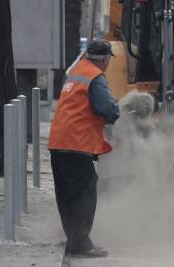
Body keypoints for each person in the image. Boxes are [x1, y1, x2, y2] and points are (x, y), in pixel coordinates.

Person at [48, 39, 120, 257]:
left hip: (58, 142)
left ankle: (74, 240)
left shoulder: (76, 71)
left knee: (67, 195)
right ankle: (81, 245)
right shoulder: (95, 77)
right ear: (106, 59)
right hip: (75, 143)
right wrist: (115, 113)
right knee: (85, 190)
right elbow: (106, 107)